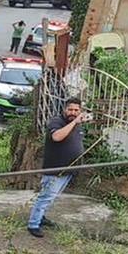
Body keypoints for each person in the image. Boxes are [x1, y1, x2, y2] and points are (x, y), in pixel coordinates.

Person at [28, 97, 91, 238]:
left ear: (80, 111)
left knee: (52, 197)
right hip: (55, 170)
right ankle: (33, 224)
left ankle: (41, 217)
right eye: (70, 109)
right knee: (46, 197)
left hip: (68, 170)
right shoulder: (57, 121)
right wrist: (75, 122)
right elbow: (56, 137)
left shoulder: (77, 124)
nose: (73, 113)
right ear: (65, 109)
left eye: (76, 110)